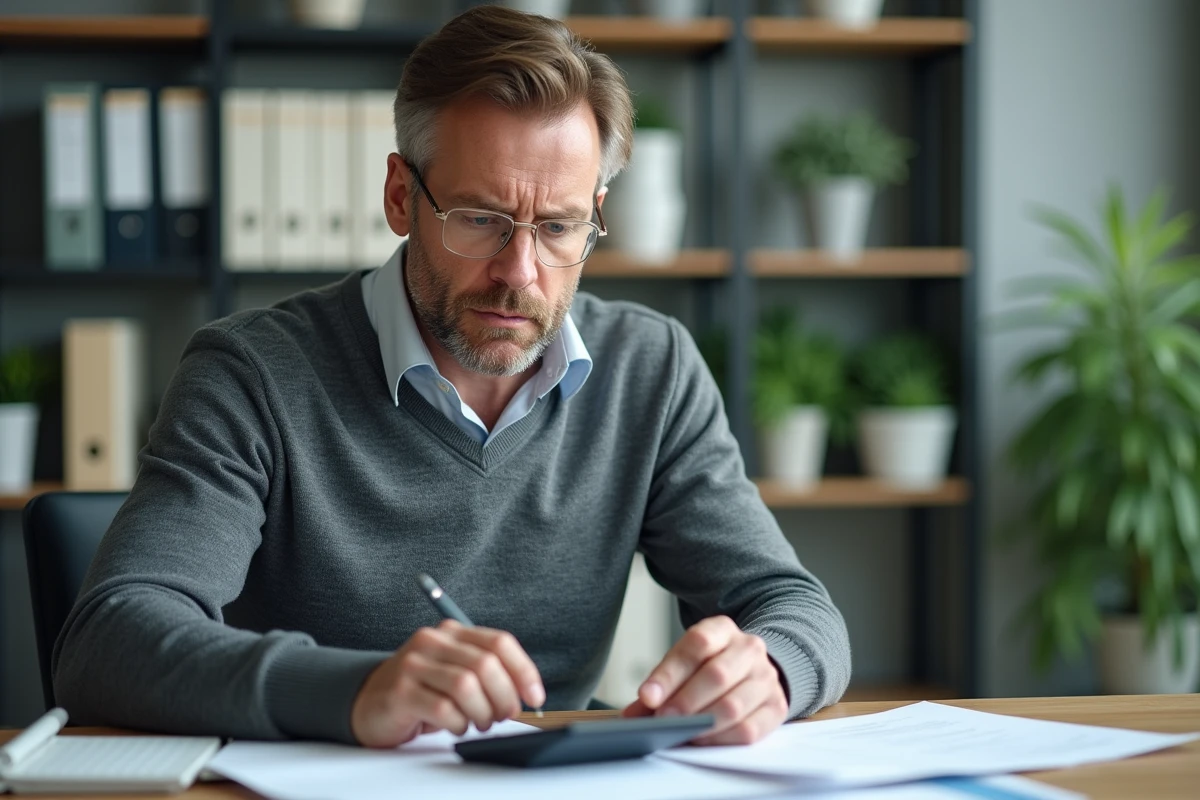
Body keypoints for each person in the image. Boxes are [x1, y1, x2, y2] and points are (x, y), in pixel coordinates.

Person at [54, 5, 850, 748]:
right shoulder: (252, 372)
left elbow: (796, 608)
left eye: (561, 226)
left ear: (597, 213)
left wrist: (770, 668)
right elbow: (109, 639)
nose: (520, 272)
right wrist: (357, 691)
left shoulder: (652, 367)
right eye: (480, 219)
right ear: (402, 196)